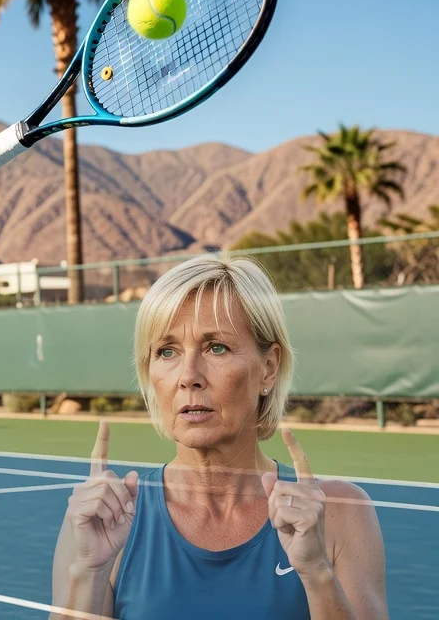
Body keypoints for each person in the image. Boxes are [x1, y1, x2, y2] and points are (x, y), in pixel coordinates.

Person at [51, 253, 389, 619]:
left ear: (269, 368)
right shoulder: (101, 521)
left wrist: (317, 572)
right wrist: (90, 572)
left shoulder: (340, 513)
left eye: (216, 347)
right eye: (167, 351)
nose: (188, 376)